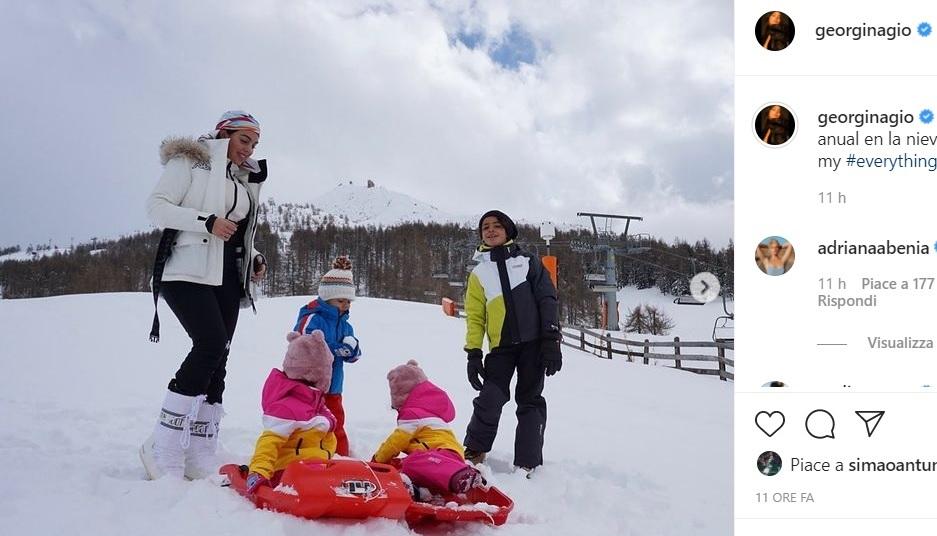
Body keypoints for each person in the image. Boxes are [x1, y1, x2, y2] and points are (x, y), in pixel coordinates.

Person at [140, 110, 268, 480]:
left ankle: (200, 447)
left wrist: (255, 257)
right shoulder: (190, 162)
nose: (248, 149)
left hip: (228, 274)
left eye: (255, 144)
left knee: (220, 355)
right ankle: (162, 443)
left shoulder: (242, 179)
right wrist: (206, 222)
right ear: (223, 134)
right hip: (186, 269)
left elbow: (242, 233)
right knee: (209, 343)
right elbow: (157, 206)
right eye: (244, 140)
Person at [462, 210, 561, 476]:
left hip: (534, 345)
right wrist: (473, 352)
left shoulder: (528, 262)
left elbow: (547, 299)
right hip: (501, 349)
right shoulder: (479, 273)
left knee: (529, 400)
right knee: (490, 397)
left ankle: (528, 462)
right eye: (485, 227)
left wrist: (551, 339)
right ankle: (474, 450)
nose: (491, 230)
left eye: (497, 226)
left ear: (509, 230)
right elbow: (475, 317)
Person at [372, 360, 486, 499]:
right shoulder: (427, 412)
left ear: (402, 396)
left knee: (411, 462)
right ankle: (424, 491)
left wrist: (378, 460)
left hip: (441, 455)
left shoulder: (412, 413)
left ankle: (462, 475)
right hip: (443, 457)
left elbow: (397, 441)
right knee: (409, 465)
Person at [244, 331, 337, 495]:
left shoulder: (318, 405)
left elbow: (327, 439)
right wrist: (259, 472)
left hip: (318, 469)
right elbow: (268, 443)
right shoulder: (287, 408)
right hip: (288, 473)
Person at [294, 256, 362, 456]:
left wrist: (352, 350)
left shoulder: (345, 325)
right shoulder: (312, 318)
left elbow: (353, 354)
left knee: (335, 423)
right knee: (310, 423)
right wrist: (336, 349)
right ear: (326, 298)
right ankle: (306, 454)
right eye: (341, 300)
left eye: (348, 301)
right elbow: (306, 344)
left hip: (334, 386)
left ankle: (340, 458)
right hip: (308, 386)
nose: (346, 305)